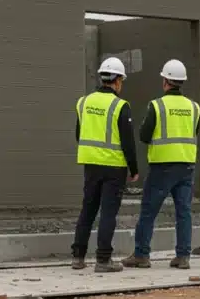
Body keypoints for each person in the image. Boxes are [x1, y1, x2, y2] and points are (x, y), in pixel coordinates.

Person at [124, 59, 200, 270]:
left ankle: (141, 254)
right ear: (181, 82)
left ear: (166, 81)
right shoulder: (194, 107)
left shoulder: (157, 106)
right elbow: (194, 132)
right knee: (183, 212)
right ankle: (183, 256)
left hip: (162, 166)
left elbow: (144, 135)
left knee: (149, 211)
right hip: (186, 165)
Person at [71, 56, 139, 273]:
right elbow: (128, 142)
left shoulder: (84, 102)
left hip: (90, 164)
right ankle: (103, 260)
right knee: (108, 213)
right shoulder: (121, 106)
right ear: (117, 80)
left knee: (88, 210)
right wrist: (134, 169)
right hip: (113, 167)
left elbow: (78, 134)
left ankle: (78, 257)